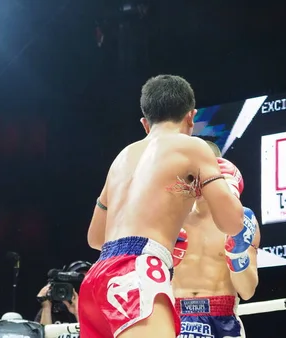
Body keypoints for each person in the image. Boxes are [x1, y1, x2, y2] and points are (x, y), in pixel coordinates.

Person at [78, 75, 246, 338]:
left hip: (98, 277)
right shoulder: (193, 147)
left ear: (145, 123)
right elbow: (233, 224)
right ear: (191, 117)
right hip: (138, 270)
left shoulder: (122, 157)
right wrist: (228, 185)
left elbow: (95, 238)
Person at [172, 140, 260, 338]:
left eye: (204, 176)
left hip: (223, 322)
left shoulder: (239, 221)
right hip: (174, 319)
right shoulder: (170, 221)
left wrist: (236, 255)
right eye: (192, 175)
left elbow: (247, 291)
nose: (198, 184)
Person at [35, 261, 92, 338]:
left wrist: (78, 313)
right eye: (77, 283)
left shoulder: (96, 311)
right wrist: (46, 307)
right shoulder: (53, 308)